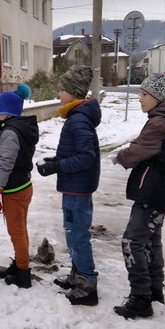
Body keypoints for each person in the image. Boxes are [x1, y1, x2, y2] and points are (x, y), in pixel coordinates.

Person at [111, 71, 165, 318]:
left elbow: (138, 151)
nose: (140, 99)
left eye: (144, 94)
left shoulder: (158, 124)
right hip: (158, 191)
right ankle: (154, 291)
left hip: (152, 192)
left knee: (131, 242)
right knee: (151, 241)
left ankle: (141, 297)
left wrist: (120, 156)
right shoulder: (161, 120)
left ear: (157, 96)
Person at [36, 64, 101, 306]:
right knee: (74, 234)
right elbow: (77, 152)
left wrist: (57, 167)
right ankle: (77, 276)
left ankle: (87, 286)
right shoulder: (77, 116)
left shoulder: (78, 119)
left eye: (62, 90)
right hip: (75, 186)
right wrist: (55, 160)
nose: (58, 94)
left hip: (77, 189)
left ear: (73, 92)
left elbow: (86, 157)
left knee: (77, 236)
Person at [0, 84, 39, 289]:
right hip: (23, 185)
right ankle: (20, 264)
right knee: (21, 229)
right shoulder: (19, 127)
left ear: (6, 113)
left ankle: (23, 274)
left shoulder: (10, 132)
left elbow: (5, 163)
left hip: (14, 189)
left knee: (16, 232)